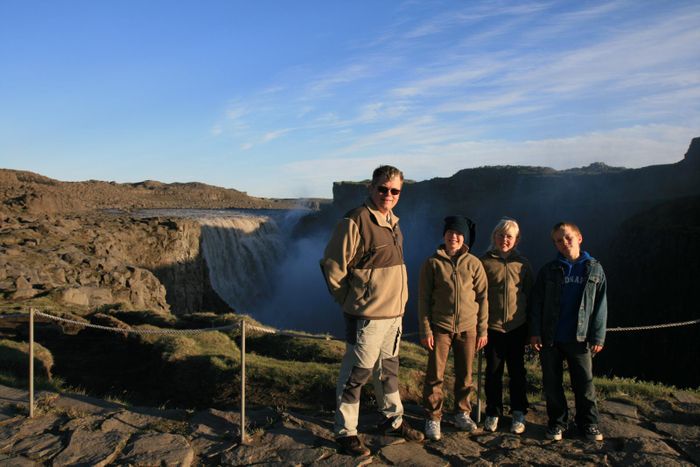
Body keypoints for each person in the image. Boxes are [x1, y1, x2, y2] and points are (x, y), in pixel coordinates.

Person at [320, 165, 423, 457]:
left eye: (394, 191)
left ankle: (393, 419)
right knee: (356, 374)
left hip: (393, 315)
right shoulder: (355, 220)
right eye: (382, 189)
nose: (388, 195)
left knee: (388, 370)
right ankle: (345, 432)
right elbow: (333, 267)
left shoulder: (393, 221)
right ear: (371, 187)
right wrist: (351, 301)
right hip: (367, 316)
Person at [529, 222, 607, 442]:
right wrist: (535, 332)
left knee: (584, 383)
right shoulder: (549, 270)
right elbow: (537, 302)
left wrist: (598, 335)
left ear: (579, 238)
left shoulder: (594, 268)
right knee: (552, 384)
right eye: (558, 240)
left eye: (568, 237)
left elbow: (601, 304)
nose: (564, 243)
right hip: (551, 337)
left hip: (580, 338)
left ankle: (589, 423)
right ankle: (557, 422)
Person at [418, 215, 489, 441]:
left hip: (468, 328)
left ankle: (462, 412)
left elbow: (484, 297)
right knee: (435, 375)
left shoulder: (474, 263)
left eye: (458, 234)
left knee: (465, 374)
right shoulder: (432, 263)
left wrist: (482, 330)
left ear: (464, 238)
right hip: (440, 327)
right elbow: (423, 299)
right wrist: (425, 329)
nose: (454, 237)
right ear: (444, 236)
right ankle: (433, 417)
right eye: (450, 233)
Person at [480, 218, 534, 434]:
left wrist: (532, 330)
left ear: (517, 239)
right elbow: (478, 295)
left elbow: (530, 297)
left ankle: (519, 412)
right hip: (492, 327)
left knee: (517, 372)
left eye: (509, 236)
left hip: (517, 326)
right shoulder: (484, 262)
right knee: (493, 371)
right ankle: (493, 411)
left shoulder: (523, 265)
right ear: (494, 236)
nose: (504, 240)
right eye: (501, 235)